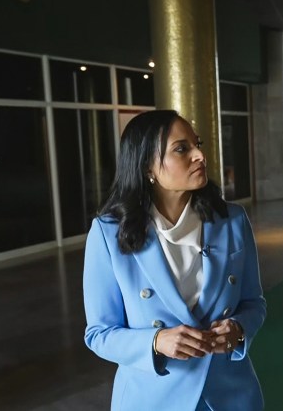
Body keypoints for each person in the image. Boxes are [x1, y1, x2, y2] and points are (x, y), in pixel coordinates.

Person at [83, 110, 266, 411]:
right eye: (182, 149)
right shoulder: (108, 233)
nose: (200, 156)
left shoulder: (232, 221)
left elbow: (254, 303)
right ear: (147, 168)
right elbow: (99, 333)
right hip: (151, 399)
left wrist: (238, 328)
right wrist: (156, 341)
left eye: (198, 144)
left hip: (230, 397)